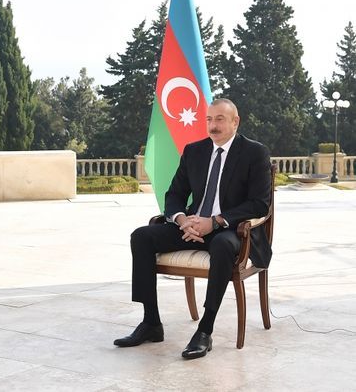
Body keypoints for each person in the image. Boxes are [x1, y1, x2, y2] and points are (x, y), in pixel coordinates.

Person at [114, 98, 272, 359]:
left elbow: (259, 203)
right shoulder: (194, 151)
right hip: (193, 226)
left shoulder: (255, 152)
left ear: (235, 122)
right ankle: (151, 322)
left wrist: (216, 221)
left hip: (231, 230)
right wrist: (182, 220)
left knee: (222, 245)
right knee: (141, 237)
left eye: (220, 119)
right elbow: (175, 194)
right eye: (209, 119)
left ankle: (205, 330)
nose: (213, 125)